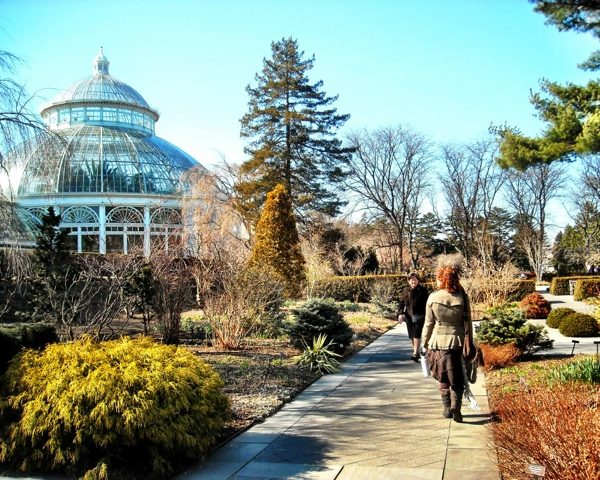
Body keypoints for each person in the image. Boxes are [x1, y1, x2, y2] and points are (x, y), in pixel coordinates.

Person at [422, 264, 473, 423]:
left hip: (438, 341)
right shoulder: (462, 297)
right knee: (457, 374)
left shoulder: (433, 297)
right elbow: (468, 322)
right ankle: (456, 407)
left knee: (442, 374)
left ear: (442, 279)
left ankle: (446, 407)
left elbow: (429, 323)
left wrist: (424, 342)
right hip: (457, 341)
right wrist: (470, 342)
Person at [397, 272, 429, 362]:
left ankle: (415, 353)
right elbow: (401, 303)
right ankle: (417, 351)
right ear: (408, 281)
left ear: (418, 280)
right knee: (412, 335)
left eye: (415, 279)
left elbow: (427, 304)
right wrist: (400, 314)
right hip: (409, 316)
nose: (413, 281)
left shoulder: (423, 290)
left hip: (420, 316)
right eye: (411, 280)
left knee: (416, 334)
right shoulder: (405, 290)